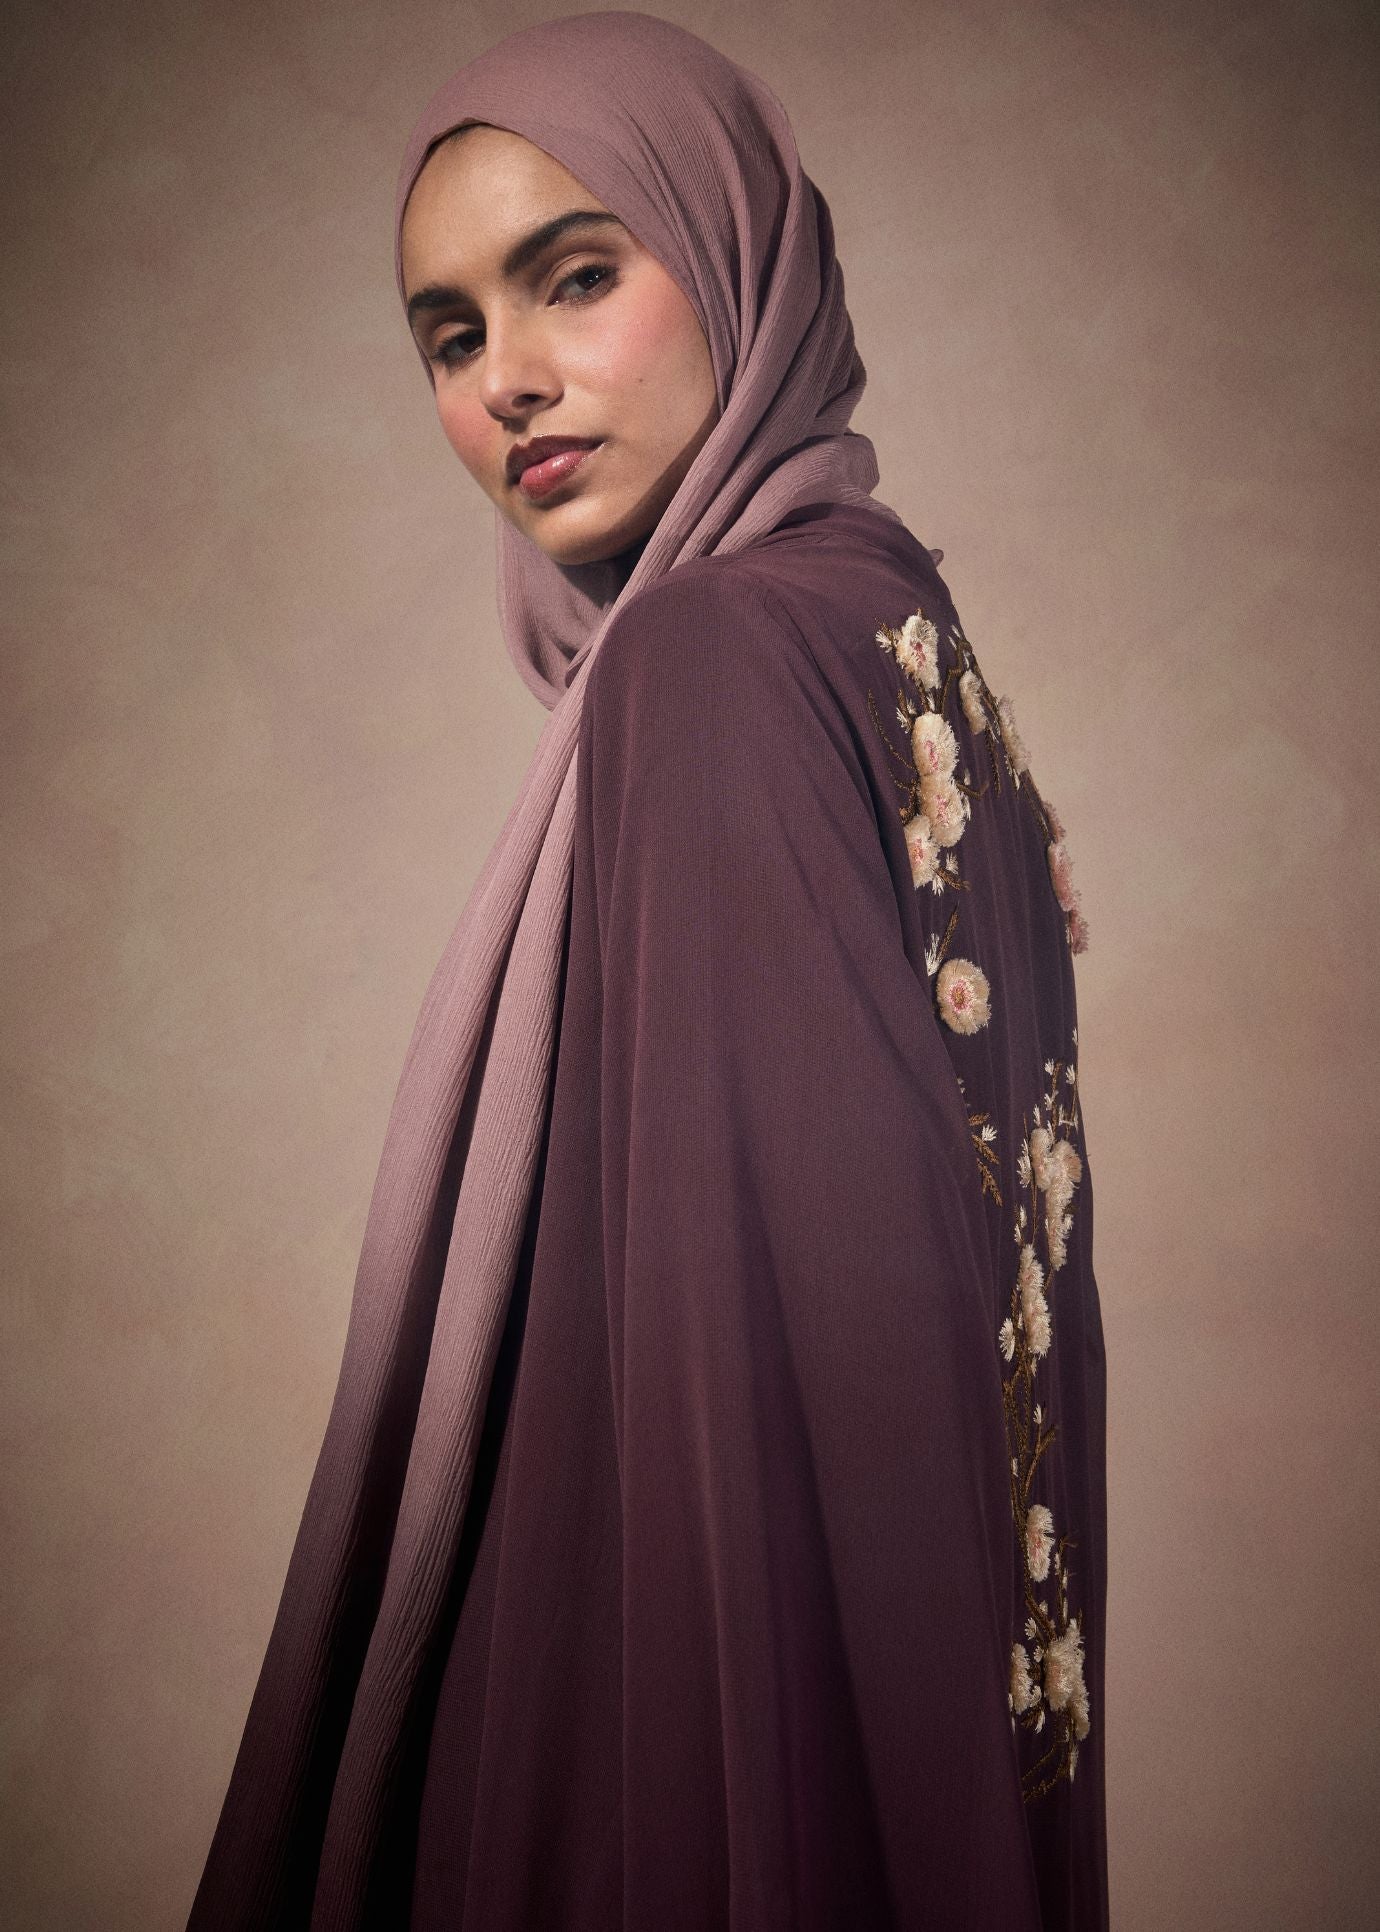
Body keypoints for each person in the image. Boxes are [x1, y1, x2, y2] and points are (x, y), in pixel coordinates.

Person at [187, 12, 1108, 1929]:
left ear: (739, 257)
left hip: (665, 1778)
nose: (509, 380)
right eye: (451, 337)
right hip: (918, 1754)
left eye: (578, 276)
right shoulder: (902, 640)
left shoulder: (712, 661)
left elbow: (792, 1378)